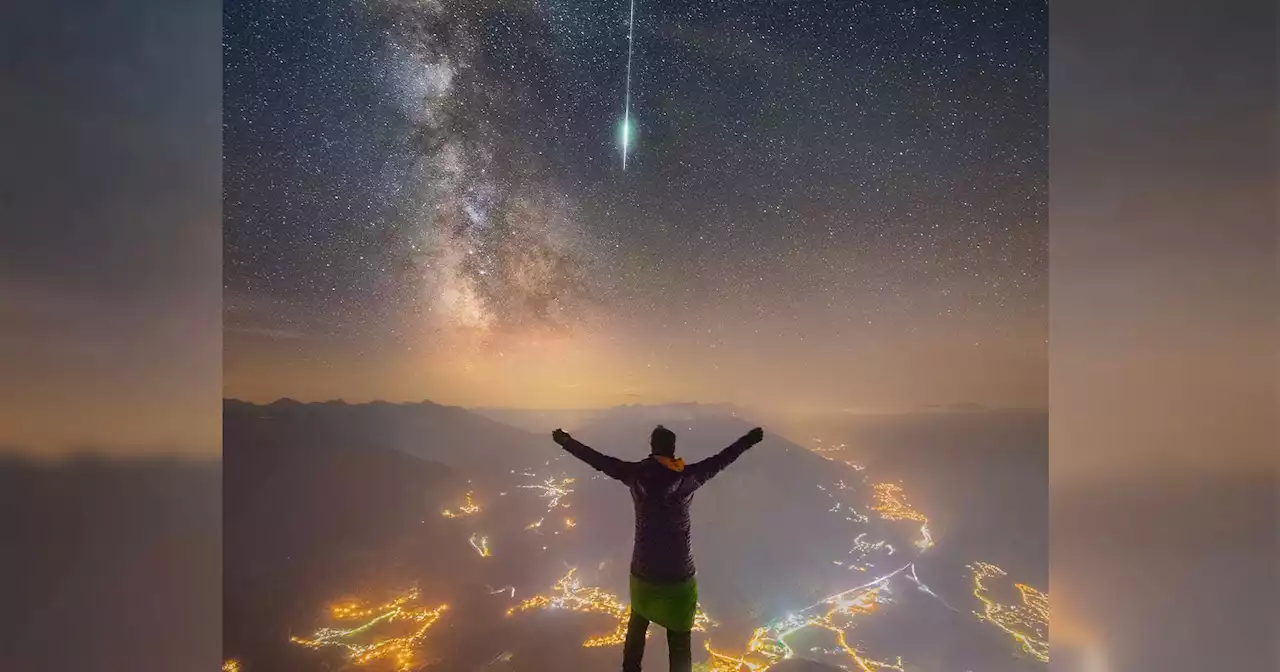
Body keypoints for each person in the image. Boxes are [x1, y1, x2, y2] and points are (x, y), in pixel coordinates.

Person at [551, 424, 765, 672]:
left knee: (636, 628)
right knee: (680, 644)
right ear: (673, 449)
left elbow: (598, 460)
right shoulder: (687, 477)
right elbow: (722, 459)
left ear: (652, 447)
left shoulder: (635, 474)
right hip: (679, 575)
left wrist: (566, 442)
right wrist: (749, 439)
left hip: (643, 570)